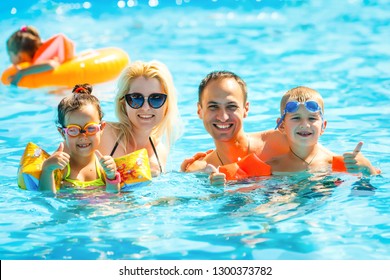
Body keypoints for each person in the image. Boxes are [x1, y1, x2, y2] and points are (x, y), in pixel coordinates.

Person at [180, 71, 378, 185]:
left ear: (246, 109)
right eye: (213, 106)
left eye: (231, 106)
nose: (223, 116)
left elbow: (322, 157)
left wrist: (364, 166)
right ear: (199, 110)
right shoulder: (198, 168)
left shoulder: (281, 139)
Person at [267, 86, 378, 175]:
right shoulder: (271, 167)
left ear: (323, 126)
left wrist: (367, 169)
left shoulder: (335, 164)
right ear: (281, 126)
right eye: (296, 118)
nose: (305, 125)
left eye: (312, 118)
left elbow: (366, 194)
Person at [97, 60, 182, 176]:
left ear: (167, 105)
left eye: (156, 98)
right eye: (136, 98)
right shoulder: (102, 134)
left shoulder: (160, 152)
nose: (145, 107)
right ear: (123, 102)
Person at [39, 84, 120, 193]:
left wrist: (111, 176)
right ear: (63, 133)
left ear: (101, 129)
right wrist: (47, 169)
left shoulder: (103, 167)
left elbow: (113, 197)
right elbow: (47, 197)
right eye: (73, 130)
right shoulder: (60, 167)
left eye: (90, 128)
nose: (83, 136)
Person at [6, 25, 75, 86]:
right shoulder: (40, 52)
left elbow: (51, 65)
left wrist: (21, 73)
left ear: (20, 55)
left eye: (10, 55)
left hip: (64, 47)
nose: (10, 59)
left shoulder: (38, 59)